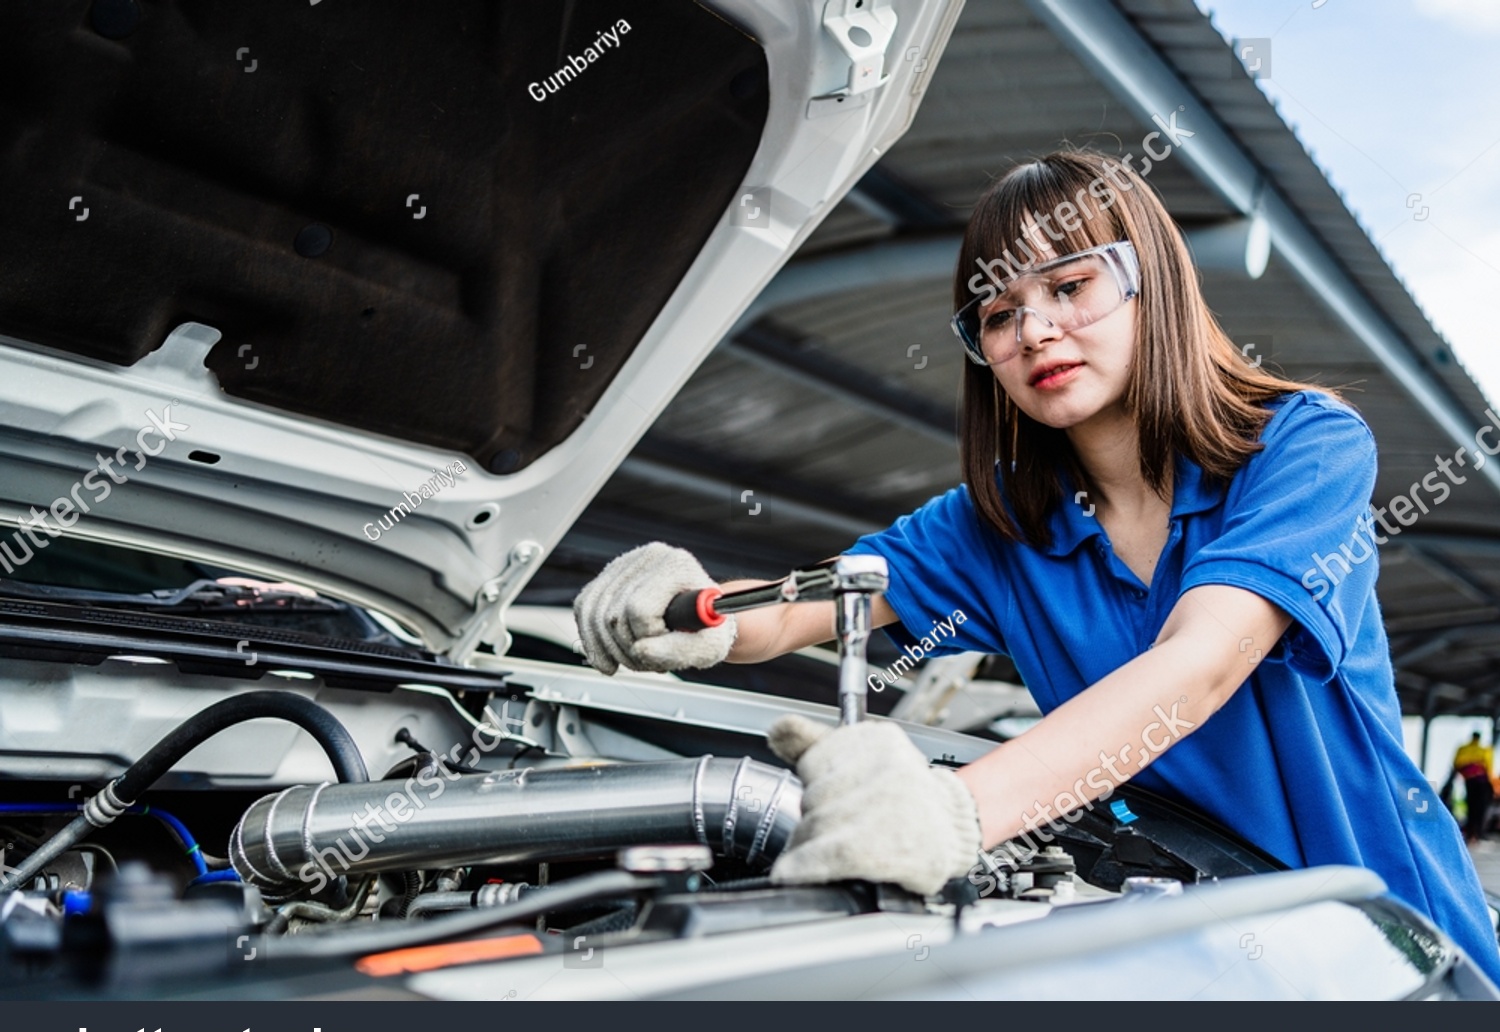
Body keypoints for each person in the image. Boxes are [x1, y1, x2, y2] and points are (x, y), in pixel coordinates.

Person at [573, 149, 1500, 986]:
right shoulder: (997, 523)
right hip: (1200, 939)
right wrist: (695, 607)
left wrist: (952, 812)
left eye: (1070, 286)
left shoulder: (1303, 447)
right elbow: (800, 608)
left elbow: (1204, 659)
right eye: (1000, 312)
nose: (1035, 331)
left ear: (1155, 286)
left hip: (1392, 947)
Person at [1453, 732, 1494, 843]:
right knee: (1479, 808)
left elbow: (1457, 764)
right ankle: (1477, 833)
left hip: (1469, 780)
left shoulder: (1463, 749)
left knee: (1471, 807)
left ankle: (1472, 833)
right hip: (1481, 781)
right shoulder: (1484, 750)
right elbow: (1488, 767)